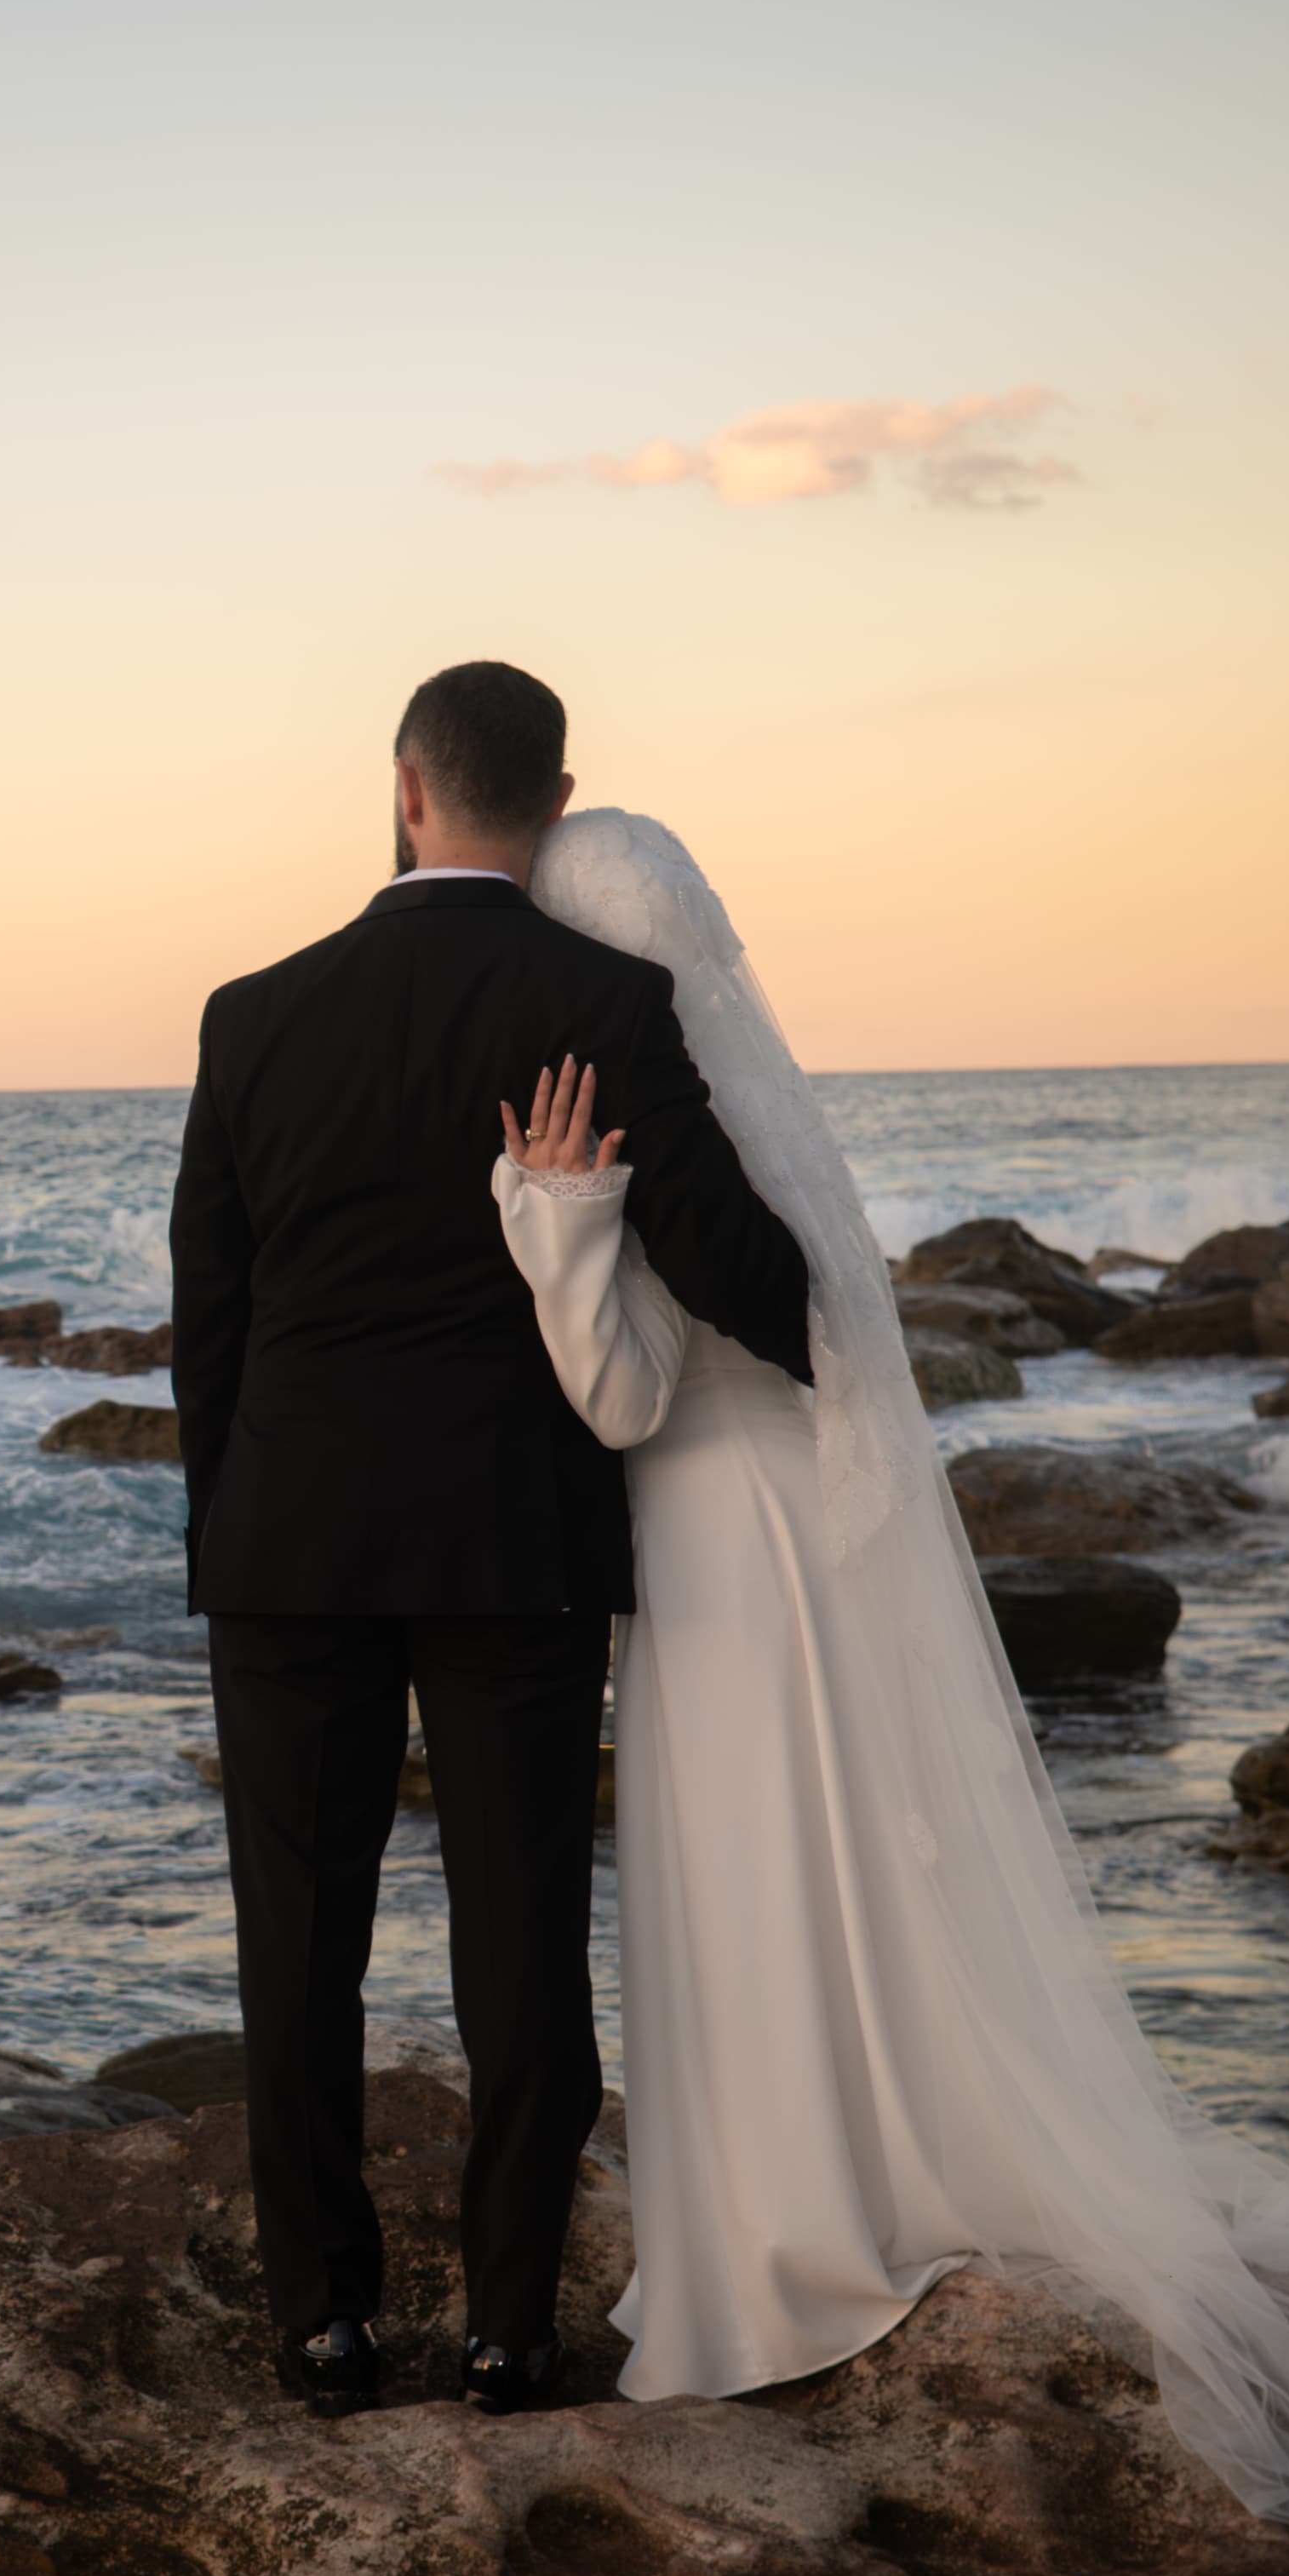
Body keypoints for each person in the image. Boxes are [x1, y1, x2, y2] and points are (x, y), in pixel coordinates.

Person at [490, 804, 1289, 2541]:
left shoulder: (629, 1129)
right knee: (827, 1859)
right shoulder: (753, 1127)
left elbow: (619, 1398)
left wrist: (555, 1208)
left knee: (748, 1866)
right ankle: (856, 2163)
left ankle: (772, 2236)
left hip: (705, 1544)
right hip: (797, 1538)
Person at [169, 663, 810, 2419]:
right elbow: (715, 1242)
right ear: (559, 795)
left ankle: (321, 2324)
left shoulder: (254, 1013)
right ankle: (511, 2331)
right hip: (514, 1537)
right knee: (519, 1941)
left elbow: (208, 1317)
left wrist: (228, 1529)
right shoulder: (594, 993)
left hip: (288, 1540)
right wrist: (846, 1361)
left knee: (296, 1947)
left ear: (405, 787)